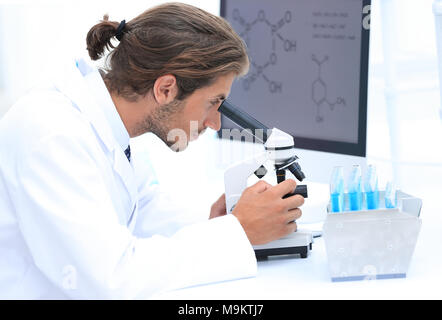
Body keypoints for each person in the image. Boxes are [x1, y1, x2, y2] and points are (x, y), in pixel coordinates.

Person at [0, 2, 304, 299]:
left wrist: (225, 220)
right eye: (214, 102)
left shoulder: (109, 128)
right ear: (165, 89)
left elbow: (142, 211)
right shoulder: (52, 133)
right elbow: (109, 279)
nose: (214, 123)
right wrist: (237, 231)